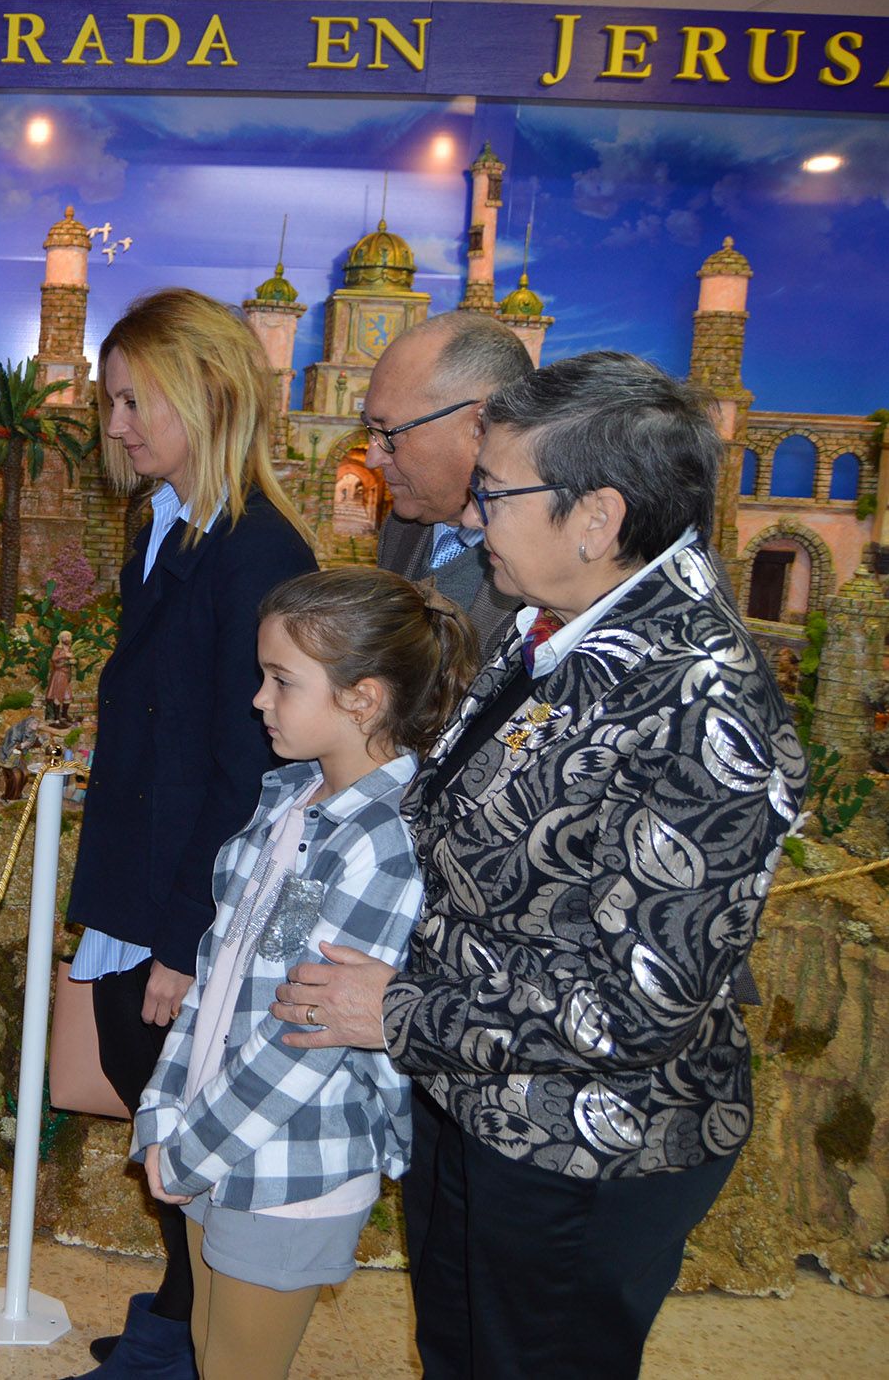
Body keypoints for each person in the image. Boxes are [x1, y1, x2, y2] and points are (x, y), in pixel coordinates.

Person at [272, 352, 805, 1380]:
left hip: (584, 1149)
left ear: (594, 518)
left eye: (494, 492)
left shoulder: (702, 699)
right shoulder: (553, 631)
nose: (473, 519)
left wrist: (395, 1013)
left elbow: (636, 1005)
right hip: (475, 1103)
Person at [134, 567, 477, 1380]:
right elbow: (221, 977)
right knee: (209, 1353)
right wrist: (165, 1108)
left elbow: (307, 1033)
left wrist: (189, 1151)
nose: (258, 699)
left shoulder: (384, 842)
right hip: (211, 1136)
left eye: (281, 681)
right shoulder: (288, 801)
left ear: (362, 699)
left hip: (289, 1162)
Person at [65, 288, 317, 1378]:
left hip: (181, 896)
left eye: (133, 400)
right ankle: (179, 1304)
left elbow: (249, 768)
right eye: (109, 401)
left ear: (207, 394)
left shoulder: (256, 553)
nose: (113, 425)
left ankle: (196, 1338)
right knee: (153, 1100)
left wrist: (183, 937)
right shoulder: (167, 526)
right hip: (138, 868)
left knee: (182, 1115)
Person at [363, 312, 533, 652]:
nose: (373, 458)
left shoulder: (551, 556)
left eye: (389, 433)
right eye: (370, 431)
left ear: (480, 425)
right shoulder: (401, 528)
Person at [44, 629, 76, 725]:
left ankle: (64, 715)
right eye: (65, 637)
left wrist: (73, 661)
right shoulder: (59, 648)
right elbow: (54, 658)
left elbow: (72, 659)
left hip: (66, 674)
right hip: (59, 674)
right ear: (61, 639)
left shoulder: (70, 648)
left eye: (68, 636)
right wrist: (65, 655)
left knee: (68, 697)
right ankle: (57, 718)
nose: (67, 638)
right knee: (58, 695)